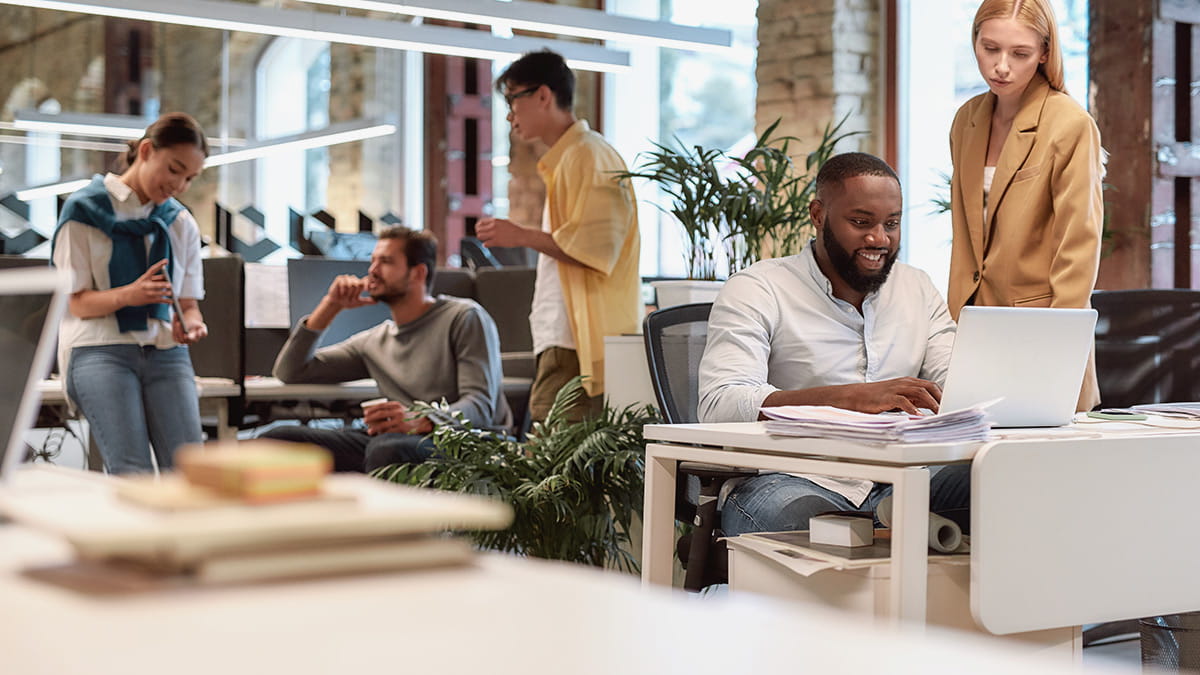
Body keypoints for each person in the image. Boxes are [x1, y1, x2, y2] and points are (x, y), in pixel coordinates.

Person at [698, 152, 969, 537]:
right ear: (818, 215)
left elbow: (955, 384)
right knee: (794, 519)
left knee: (1001, 483)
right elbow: (719, 403)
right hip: (797, 477)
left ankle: (888, 530)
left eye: (891, 224)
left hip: (907, 474)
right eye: (861, 222)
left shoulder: (916, 287)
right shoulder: (759, 287)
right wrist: (849, 398)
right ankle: (892, 529)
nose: (879, 238)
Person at [948, 0, 1104, 412]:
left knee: (1045, 472)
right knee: (975, 472)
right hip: (976, 330)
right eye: (989, 48)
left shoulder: (1070, 124)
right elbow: (966, 237)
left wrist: (1059, 352)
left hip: (1044, 333)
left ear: (1045, 54)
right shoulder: (967, 120)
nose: (1001, 66)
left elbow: (1078, 249)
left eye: (1020, 54)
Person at [259, 227, 511, 473]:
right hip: (394, 442)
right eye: (373, 261)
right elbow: (291, 371)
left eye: (386, 261)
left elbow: (479, 407)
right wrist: (330, 306)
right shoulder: (376, 340)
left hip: (463, 443)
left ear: (418, 273)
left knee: (386, 449)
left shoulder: (464, 317)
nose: (372, 270)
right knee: (277, 440)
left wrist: (423, 419)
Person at [475, 49, 640, 423]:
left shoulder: (588, 156)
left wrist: (521, 235)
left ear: (543, 96)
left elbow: (596, 249)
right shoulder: (572, 158)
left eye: (512, 100)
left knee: (553, 466)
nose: (509, 115)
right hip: (566, 338)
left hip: (576, 342)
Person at [52, 112, 210, 475]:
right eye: (174, 169)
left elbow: (188, 305)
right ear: (146, 150)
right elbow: (74, 302)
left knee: (189, 471)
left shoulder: (179, 221)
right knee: (132, 471)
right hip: (100, 349)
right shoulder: (84, 210)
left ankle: (186, 535)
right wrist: (129, 295)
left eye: (190, 177)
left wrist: (193, 324)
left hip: (167, 351)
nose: (180, 185)